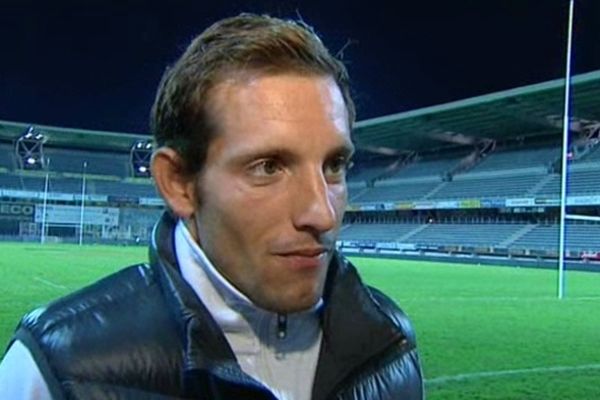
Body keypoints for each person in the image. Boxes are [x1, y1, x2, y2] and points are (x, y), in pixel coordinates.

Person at [0, 13, 423, 399]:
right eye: (269, 167)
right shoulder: (55, 372)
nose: (322, 214)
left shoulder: (390, 344)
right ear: (178, 184)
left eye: (334, 165)